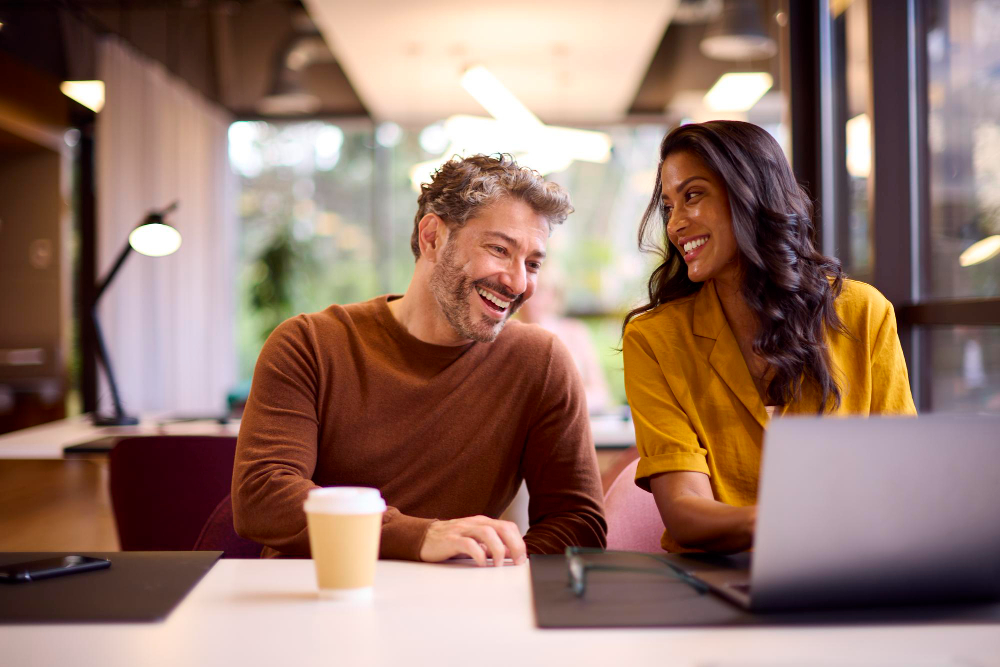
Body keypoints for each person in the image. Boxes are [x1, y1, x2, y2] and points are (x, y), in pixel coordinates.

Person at [233, 154, 607, 565]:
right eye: (500, 249)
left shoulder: (540, 362)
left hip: (452, 609)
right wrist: (420, 536)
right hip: (318, 596)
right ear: (432, 237)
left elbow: (578, 523)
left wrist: (489, 565)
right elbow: (263, 495)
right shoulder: (310, 344)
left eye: (533, 263)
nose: (518, 282)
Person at [622, 121, 916, 554]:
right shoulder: (654, 338)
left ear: (750, 193)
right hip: (719, 585)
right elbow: (685, 510)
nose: (675, 224)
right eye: (668, 205)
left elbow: (901, 474)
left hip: (852, 569)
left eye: (693, 195)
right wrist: (794, 521)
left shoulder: (864, 313)